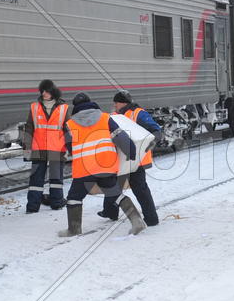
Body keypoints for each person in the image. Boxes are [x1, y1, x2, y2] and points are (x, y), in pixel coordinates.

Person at [59, 92, 146, 237]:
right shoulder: (105, 118)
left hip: (85, 168)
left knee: (74, 197)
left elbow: (69, 148)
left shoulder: (69, 124)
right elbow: (120, 136)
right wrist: (130, 151)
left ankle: (74, 229)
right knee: (115, 194)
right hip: (106, 165)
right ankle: (137, 221)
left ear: (75, 107)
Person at [99, 90, 162, 227]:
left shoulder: (138, 113)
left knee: (139, 188)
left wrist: (154, 141)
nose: (114, 105)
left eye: (116, 102)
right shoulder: (114, 115)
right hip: (121, 157)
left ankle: (151, 219)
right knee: (114, 186)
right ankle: (110, 212)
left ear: (123, 103)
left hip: (137, 159)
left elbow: (155, 129)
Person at [23, 79, 69, 213]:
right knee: (36, 180)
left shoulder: (63, 108)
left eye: (47, 91)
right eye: (42, 91)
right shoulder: (34, 107)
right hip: (39, 148)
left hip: (57, 147)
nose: (44, 94)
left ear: (53, 91)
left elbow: (69, 129)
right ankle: (32, 206)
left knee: (56, 179)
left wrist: (70, 147)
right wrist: (26, 147)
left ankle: (57, 202)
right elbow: (29, 128)